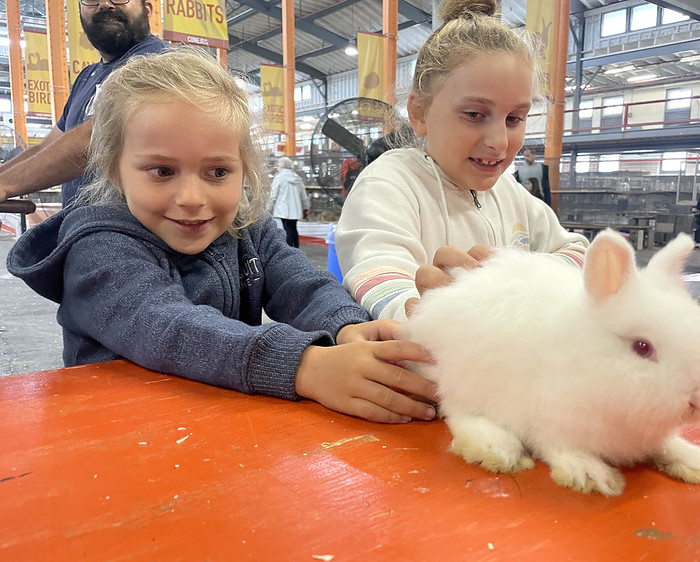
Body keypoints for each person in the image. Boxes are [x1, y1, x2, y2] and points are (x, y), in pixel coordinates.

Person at [6, 49, 437, 425]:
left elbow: (303, 287)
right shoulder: (98, 249)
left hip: (221, 428)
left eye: (217, 172)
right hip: (121, 443)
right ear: (114, 167)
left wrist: (345, 327)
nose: (193, 198)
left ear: (243, 167)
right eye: (162, 171)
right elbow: (170, 327)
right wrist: (305, 365)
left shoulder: (247, 229)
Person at [334, 0, 589, 321]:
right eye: (474, 114)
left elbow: (578, 252)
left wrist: (521, 277)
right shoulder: (388, 184)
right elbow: (377, 276)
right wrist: (435, 313)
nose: (498, 142)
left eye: (514, 119)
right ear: (419, 112)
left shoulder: (511, 194)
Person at [0, 0, 168, 208]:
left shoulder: (158, 62)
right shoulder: (87, 77)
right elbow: (48, 147)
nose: (105, 4)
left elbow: (99, 138)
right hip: (79, 228)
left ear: (147, 10)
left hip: (126, 232)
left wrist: (6, 184)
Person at [270, 156, 309, 248]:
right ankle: (296, 247)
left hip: (283, 208)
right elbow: (304, 195)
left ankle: (289, 250)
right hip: (295, 209)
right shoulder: (297, 178)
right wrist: (305, 207)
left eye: (278, 165)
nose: (278, 167)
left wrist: (269, 208)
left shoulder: (279, 178)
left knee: (287, 229)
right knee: (293, 228)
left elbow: (273, 195)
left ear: (282, 166)